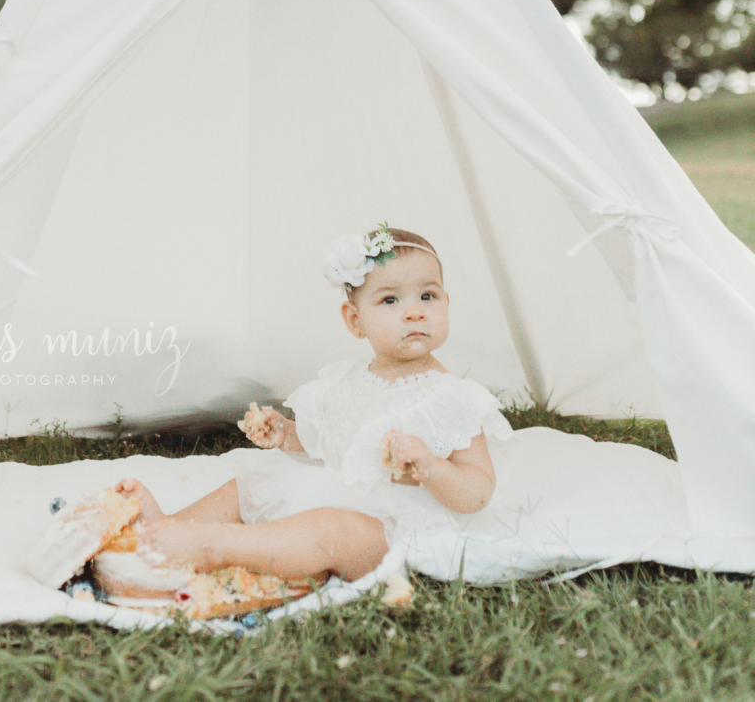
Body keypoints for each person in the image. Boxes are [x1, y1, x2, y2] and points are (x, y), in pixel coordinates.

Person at [109, 224, 521, 589]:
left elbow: (478, 491)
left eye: (427, 296)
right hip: (332, 491)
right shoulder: (344, 381)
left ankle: (210, 547)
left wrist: (431, 466)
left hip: (392, 531)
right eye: (390, 301)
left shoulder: (450, 397)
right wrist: (287, 434)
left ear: (446, 303)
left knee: (329, 528)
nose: (414, 311)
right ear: (354, 320)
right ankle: (164, 529)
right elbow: (328, 445)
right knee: (249, 484)